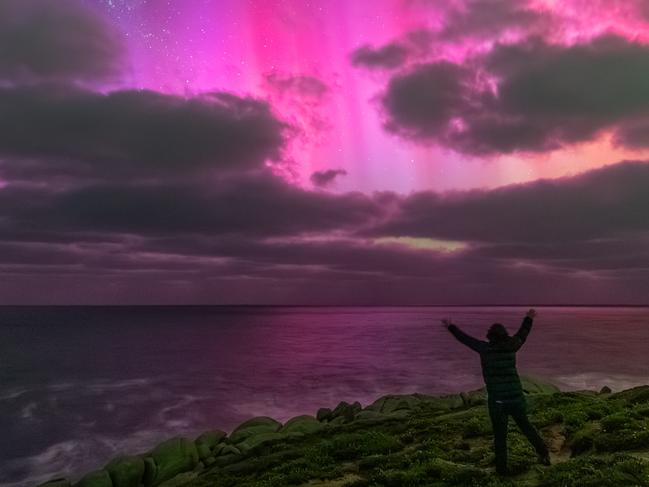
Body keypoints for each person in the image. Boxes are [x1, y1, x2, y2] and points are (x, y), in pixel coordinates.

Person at [442, 308, 550, 475]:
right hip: (516, 399)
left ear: (490, 336)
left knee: (500, 438)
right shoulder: (512, 345)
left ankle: (502, 472)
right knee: (527, 427)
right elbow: (523, 333)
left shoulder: (484, 349)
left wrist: (450, 327)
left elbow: (465, 339)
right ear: (505, 335)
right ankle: (544, 453)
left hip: (497, 402)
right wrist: (529, 318)